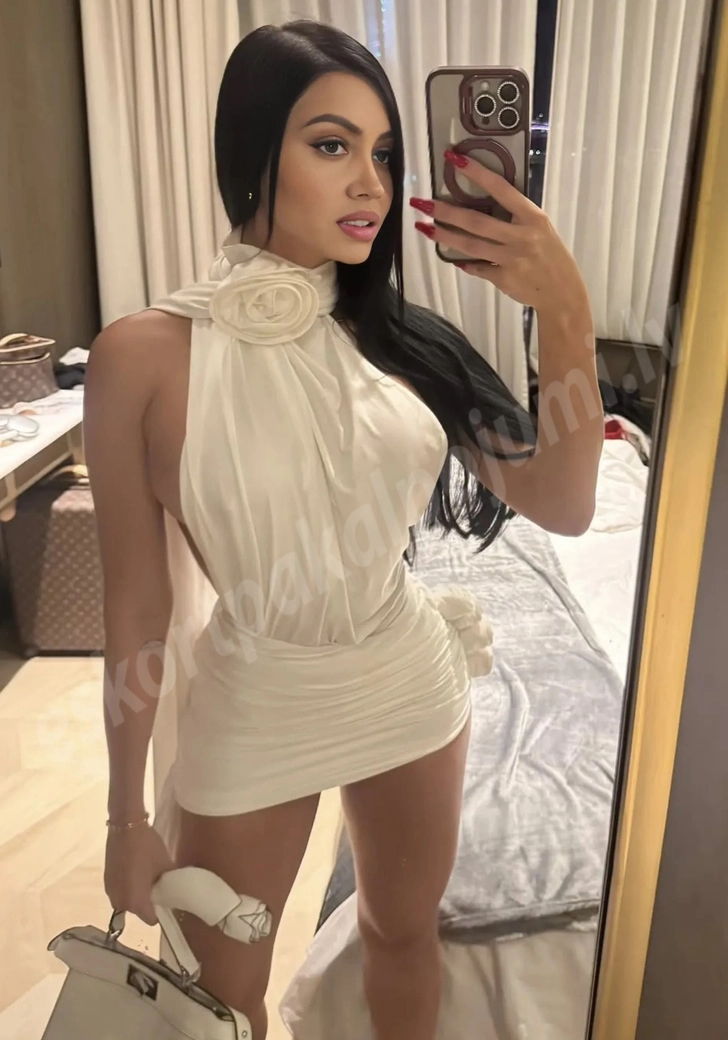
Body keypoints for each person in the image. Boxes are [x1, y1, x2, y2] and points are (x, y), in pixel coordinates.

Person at [85, 19, 603, 1040]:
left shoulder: (404, 341)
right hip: (257, 690)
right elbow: (136, 602)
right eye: (332, 145)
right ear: (252, 154)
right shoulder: (139, 356)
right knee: (219, 998)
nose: (370, 183)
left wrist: (565, 309)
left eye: (385, 154)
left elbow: (564, 502)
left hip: (406, 675)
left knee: (403, 936)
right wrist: (123, 815)